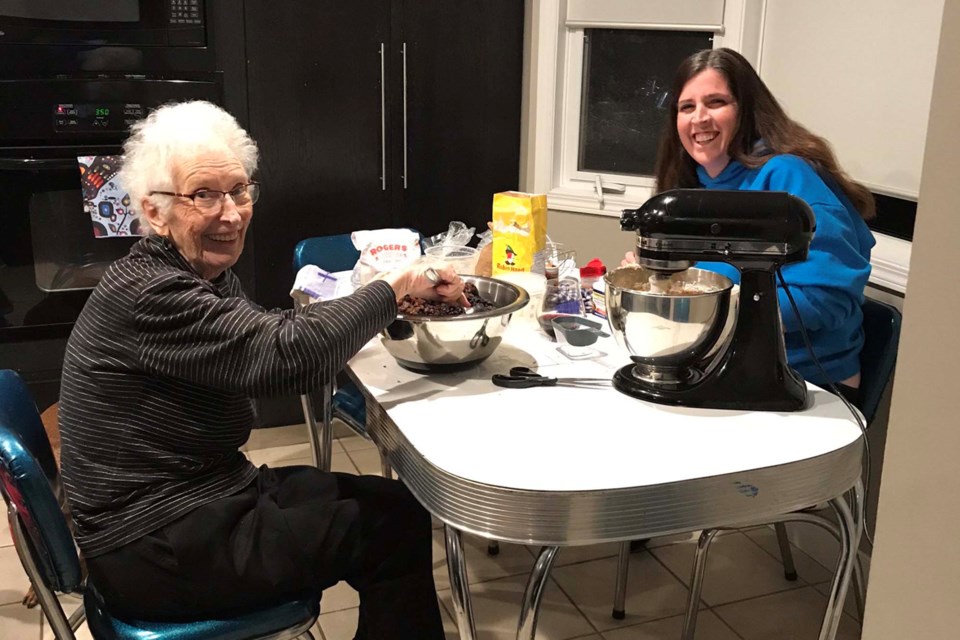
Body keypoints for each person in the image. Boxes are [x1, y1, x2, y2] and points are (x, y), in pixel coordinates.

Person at [58, 100, 461, 638]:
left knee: (397, 506)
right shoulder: (152, 293)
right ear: (154, 211)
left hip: (204, 494)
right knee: (391, 532)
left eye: (239, 189)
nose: (230, 213)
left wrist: (373, 304)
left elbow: (259, 334)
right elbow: (285, 358)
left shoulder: (196, 269)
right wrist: (394, 289)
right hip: (155, 542)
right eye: (203, 195)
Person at [624, 48, 875, 401]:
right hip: (716, 360)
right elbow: (710, 277)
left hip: (810, 384)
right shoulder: (692, 187)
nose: (699, 118)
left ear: (746, 109)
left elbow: (828, 300)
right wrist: (660, 282)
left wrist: (700, 307)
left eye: (716, 102)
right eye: (687, 107)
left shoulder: (789, 177)